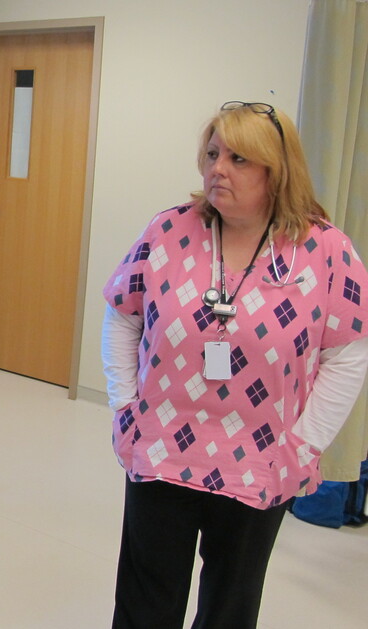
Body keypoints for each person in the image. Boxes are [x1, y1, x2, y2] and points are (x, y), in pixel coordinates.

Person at [102, 101, 368, 628]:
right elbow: (122, 314)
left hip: (261, 460)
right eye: (212, 153)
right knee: (144, 603)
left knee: (230, 608)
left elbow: (347, 356)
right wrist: (125, 404)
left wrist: (304, 446)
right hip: (162, 449)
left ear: (278, 170)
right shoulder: (169, 232)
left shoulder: (325, 251)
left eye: (239, 158)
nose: (217, 168)